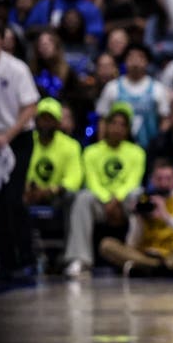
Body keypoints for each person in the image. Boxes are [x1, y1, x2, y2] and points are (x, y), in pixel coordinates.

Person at [63, 102, 146, 278]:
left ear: (128, 129)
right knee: (83, 198)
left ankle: (134, 255)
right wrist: (107, 199)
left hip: (124, 203)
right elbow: (92, 180)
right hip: (101, 203)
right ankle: (80, 260)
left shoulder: (137, 152)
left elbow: (133, 180)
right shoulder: (91, 152)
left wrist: (117, 199)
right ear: (105, 126)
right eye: (113, 123)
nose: (117, 128)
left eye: (122, 125)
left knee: (138, 195)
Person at [98, 159, 173, 277]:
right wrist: (138, 219)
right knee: (106, 245)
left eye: (168, 179)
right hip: (147, 254)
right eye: (159, 179)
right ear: (152, 180)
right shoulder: (144, 200)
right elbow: (131, 245)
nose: (164, 183)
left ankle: (157, 266)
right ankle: (158, 266)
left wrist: (166, 217)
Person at [0, 23, 41, 278]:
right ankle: (7, 263)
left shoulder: (16, 69)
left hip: (18, 138)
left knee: (13, 198)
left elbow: (30, 106)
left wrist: (7, 136)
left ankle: (28, 258)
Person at [95, 44, 170, 151]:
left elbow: (165, 120)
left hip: (150, 148)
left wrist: (160, 145)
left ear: (147, 61)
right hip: (117, 149)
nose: (135, 61)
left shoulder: (158, 88)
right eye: (131, 57)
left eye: (140, 57)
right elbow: (103, 119)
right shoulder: (112, 87)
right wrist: (101, 146)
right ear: (125, 61)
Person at [24, 98, 83, 207]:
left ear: (58, 123)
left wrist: (51, 190)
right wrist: (29, 188)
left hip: (57, 195)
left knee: (72, 196)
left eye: (50, 119)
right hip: (29, 193)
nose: (45, 123)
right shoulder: (26, 142)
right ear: (36, 120)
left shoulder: (71, 145)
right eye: (43, 118)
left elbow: (74, 179)